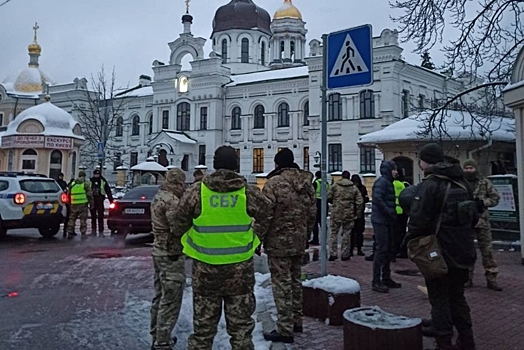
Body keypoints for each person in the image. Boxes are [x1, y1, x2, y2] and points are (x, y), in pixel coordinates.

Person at [173, 146, 270, 350]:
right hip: (240, 272)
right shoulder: (248, 191)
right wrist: (255, 237)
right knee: (241, 331)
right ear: (235, 165)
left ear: (215, 165)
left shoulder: (197, 191)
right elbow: (266, 213)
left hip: (205, 272)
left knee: (202, 332)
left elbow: (177, 223)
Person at [407, 143, 477, 350]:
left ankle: (443, 343)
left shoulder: (432, 184)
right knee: (457, 297)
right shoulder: (463, 183)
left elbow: (419, 219)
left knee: (439, 298)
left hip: (439, 253)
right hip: (463, 251)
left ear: (425, 162)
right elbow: (472, 217)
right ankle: (466, 340)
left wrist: (410, 241)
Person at [262, 148, 316, 343]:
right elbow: (312, 214)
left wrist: (258, 239)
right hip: (299, 241)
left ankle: (285, 329)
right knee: (295, 282)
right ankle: (296, 321)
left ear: (277, 164)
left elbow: (265, 215)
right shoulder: (306, 184)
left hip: (278, 244)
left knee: (281, 284)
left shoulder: (273, 184)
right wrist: (306, 234)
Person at [150, 168, 186, 350]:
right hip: (170, 253)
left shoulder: (159, 196)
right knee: (171, 298)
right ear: (178, 183)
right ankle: (163, 340)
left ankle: (156, 334)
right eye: (183, 184)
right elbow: (177, 227)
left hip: (158, 251)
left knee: (159, 295)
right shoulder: (171, 201)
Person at [463, 158, 502, 291]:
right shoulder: (461, 183)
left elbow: (495, 198)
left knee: (487, 251)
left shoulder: (484, 182)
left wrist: (483, 203)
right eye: (466, 168)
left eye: (471, 168)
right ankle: (466, 278)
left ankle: (491, 278)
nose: (469, 170)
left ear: (475, 169)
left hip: (482, 221)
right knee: (467, 251)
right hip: (466, 222)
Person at [371, 160, 401, 293]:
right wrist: (389, 212)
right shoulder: (382, 182)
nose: (396, 172)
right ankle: (376, 280)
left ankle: (386, 277)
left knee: (388, 249)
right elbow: (377, 199)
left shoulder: (388, 183)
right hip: (381, 220)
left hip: (386, 220)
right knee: (381, 249)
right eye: (394, 169)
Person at [327, 171, 363, 261]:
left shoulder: (335, 186)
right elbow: (360, 201)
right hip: (348, 214)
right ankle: (345, 254)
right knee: (347, 234)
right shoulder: (353, 188)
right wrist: (358, 214)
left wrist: (334, 203)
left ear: (342, 177)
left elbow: (328, 196)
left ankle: (333, 253)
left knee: (333, 233)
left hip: (336, 213)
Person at [66, 171, 93, 238]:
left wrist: (69, 203)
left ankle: (70, 232)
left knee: (72, 219)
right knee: (83, 219)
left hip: (74, 204)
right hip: (83, 204)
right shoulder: (85, 183)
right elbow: (89, 194)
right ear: (84, 176)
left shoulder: (73, 183)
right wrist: (91, 203)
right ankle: (83, 233)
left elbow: (68, 194)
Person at [90, 169, 113, 236]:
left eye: (97, 174)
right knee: (93, 217)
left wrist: (111, 200)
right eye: (95, 174)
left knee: (100, 217)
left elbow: (108, 190)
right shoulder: (91, 181)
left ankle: (101, 232)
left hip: (100, 200)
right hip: (93, 200)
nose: (96, 175)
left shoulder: (103, 181)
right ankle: (93, 231)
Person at [350, 174, 368, 256]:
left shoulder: (362, 188)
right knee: (351, 232)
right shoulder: (350, 188)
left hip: (359, 213)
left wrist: (363, 200)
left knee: (359, 232)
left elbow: (366, 198)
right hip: (351, 213)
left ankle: (359, 248)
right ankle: (351, 249)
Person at [393, 168, 408, 260]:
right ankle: (403, 251)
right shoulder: (406, 184)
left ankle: (395, 250)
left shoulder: (393, 184)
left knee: (395, 233)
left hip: (394, 211)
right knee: (403, 232)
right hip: (404, 212)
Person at [311, 170, 329, 245]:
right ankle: (325, 238)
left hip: (317, 203)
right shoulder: (326, 183)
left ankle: (315, 239)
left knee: (315, 223)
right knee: (323, 222)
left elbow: (312, 192)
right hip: (325, 203)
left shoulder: (316, 182)